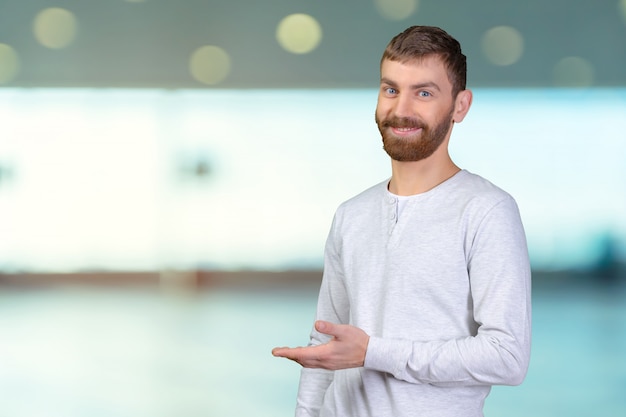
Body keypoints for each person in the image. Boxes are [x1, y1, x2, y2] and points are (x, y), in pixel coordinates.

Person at [272, 25, 531, 417]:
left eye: (423, 93)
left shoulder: (487, 210)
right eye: (391, 89)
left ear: (460, 106)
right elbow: (326, 340)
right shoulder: (351, 214)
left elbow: (507, 356)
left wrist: (374, 353)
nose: (401, 109)